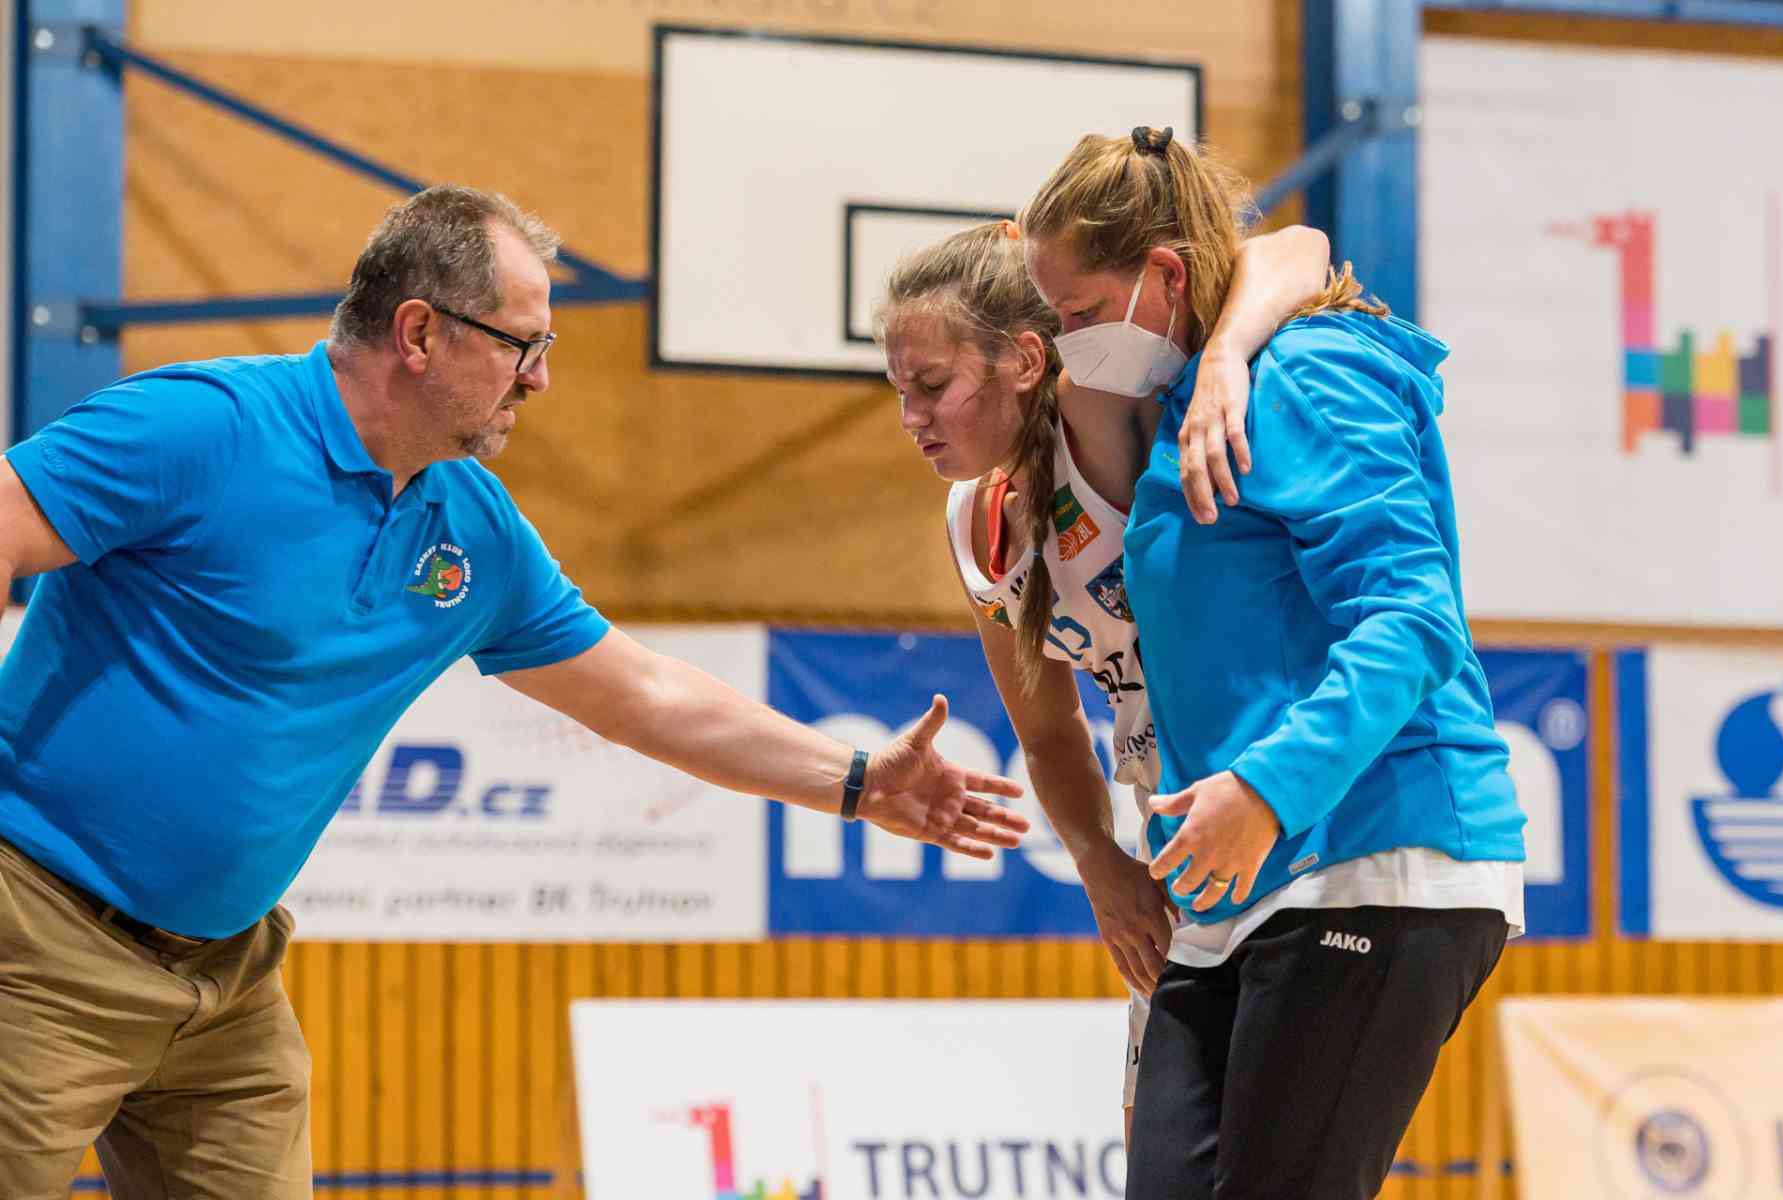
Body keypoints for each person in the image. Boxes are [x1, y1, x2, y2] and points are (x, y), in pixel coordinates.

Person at [0, 184, 1028, 1200]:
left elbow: (644, 695)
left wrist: (857, 780)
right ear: (419, 333)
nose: (539, 379)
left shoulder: (471, 529)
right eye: (520, 345)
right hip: (36, 945)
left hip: (225, 978)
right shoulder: (198, 427)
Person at [1019, 127, 1528, 1199]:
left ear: (1166, 276)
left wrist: (1265, 789)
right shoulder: (1183, 406)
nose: (1069, 343)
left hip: (1377, 855)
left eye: (1080, 312)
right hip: (1236, 892)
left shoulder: (1313, 369)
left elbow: (1412, 619)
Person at [876, 215, 1329, 1144]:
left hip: (1283, 817)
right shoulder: (971, 521)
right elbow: (1048, 736)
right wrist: (1097, 863)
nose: (911, 418)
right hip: (1176, 850)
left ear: (1026, 361)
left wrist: (1224, 358)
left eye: (933, 386)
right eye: (900, 391)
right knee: (1158, 1160)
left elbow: (1300, 248)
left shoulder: (1102, 405)